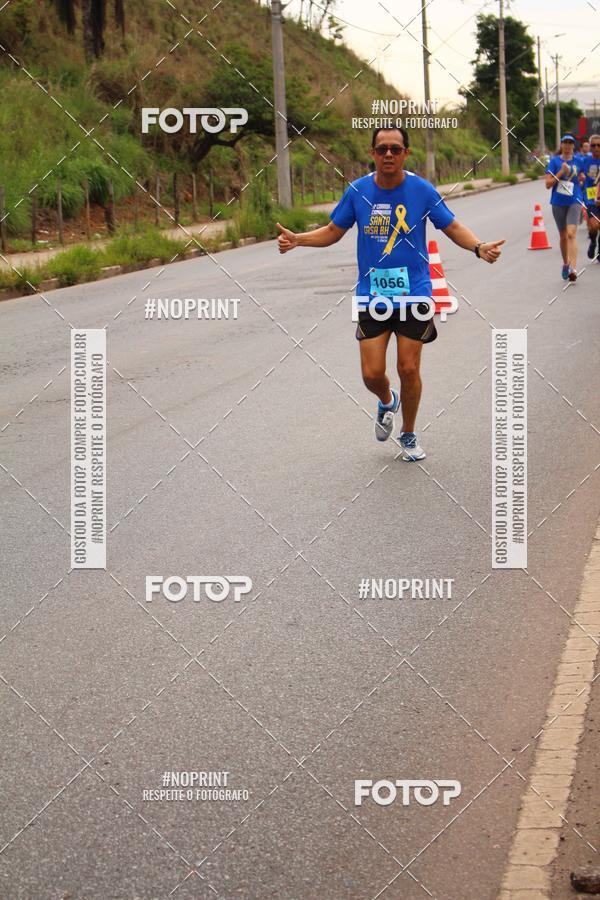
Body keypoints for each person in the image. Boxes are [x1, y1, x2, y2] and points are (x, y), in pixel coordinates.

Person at [276, 127, 504, 461]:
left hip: (414, 292)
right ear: (372, 153)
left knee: (408, 368)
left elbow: (452, 226)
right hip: (373, 294)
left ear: (405, 154)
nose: (388, 155)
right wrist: (298, 239)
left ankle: (409, 434)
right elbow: (332, 231)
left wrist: (478, 247)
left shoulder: (422, 191)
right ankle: (386, 400)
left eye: (395, 149)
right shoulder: (358, 192)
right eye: (382, 149)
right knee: (371, 374)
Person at [545, 134, 584, 281]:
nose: (567, 145)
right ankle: (566, 264)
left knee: (571, 233)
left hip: (575, 199)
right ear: (561, 145)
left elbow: (583, 179)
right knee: (563, 237)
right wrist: (561, 172)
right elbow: (548, 184)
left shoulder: (579, 161)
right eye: (565, 142)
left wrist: (582, 179)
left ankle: (573, 268)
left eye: (570, 143)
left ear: (574, 146)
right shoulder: (554, 162)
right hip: (558, 202)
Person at [579, 134, 600, 260]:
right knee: (594, 225)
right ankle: (593, 241)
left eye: (599, 145)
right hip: (590, 196)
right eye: (594, 145)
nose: (596, 148)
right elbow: (576, 171)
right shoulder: (584, 160)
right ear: (590, 147)